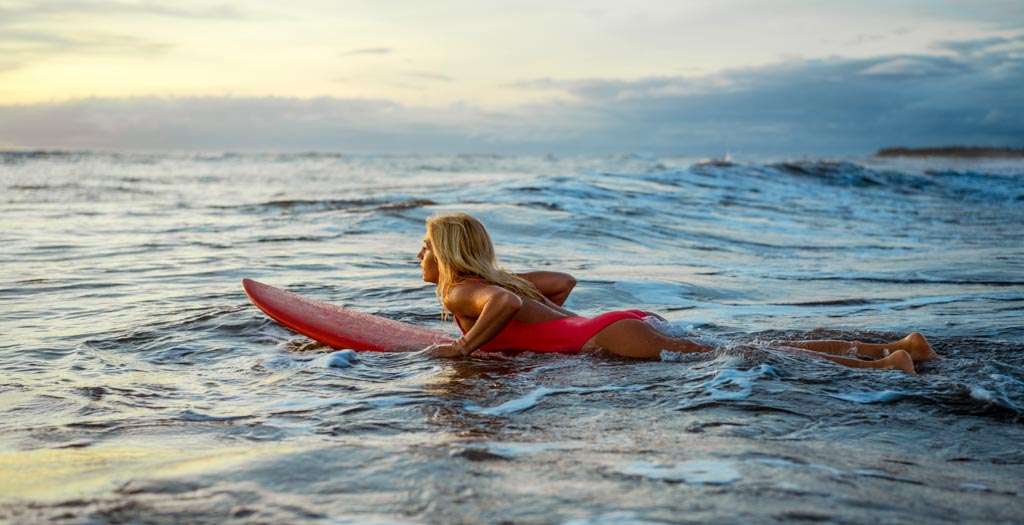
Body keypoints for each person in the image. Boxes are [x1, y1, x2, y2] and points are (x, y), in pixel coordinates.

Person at [417, 213, 936, 374]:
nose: (418, 258)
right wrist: (547, 323)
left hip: (611, 337)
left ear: (445, 256)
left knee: (750, 357)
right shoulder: (492, 282)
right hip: (620, 321)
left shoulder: (460, 293)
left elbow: (503, 307)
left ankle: (885, 365)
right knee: (752, 349)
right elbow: (563, 283)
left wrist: (463, 349)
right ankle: (900, 347)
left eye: (424, 248)